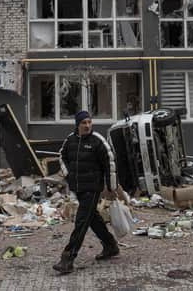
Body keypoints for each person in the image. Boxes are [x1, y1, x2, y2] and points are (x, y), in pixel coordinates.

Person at [53, 110, 119, 274]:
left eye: (89, 122)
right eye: (84, 123)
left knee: (81, 222)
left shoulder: (98, 141)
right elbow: (62, 156)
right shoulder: (71, 140)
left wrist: (111, 187)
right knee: (92, 219)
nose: (87, 125)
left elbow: (109, 164)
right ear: (78, 124)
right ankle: (110, 245)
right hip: (78, 188)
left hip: (92, 188)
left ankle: (68, 258)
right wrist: (68, 174)